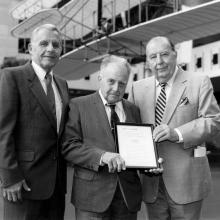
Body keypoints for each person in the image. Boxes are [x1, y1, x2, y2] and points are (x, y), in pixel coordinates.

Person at [129, 36, 220, 220]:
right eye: (153, 56)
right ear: (147, 61)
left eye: (164, 54)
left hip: (187, 182)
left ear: (175, 55)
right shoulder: (137, 88)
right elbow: (131, 131)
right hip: (151, 183)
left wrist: (177, 133)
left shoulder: (199, 81)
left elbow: (213, 120)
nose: (159, 61)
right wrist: (141, 162)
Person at [0, 24, 69, 220]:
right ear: (30, 49)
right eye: (44, 43)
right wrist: (10, 178)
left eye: (56, 45)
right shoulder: (12, 77)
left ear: (61, 51)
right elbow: (3, 132)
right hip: (22, 185)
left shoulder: (62, 85)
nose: (50, 49)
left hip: (56, 187)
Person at [62, 55, 142, 220]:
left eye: (122, 83)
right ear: (100, 78)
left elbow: (137, 149)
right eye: (111, 81)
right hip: (91, 197)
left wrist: (151, 165)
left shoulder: (133, 110)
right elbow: (69, 146)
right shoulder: (78, 105)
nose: (116, 88)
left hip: (127, 197)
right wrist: (102, 156)